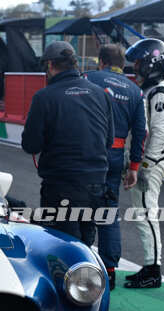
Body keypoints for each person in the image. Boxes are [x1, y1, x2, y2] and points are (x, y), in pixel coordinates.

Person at [21, 41, 114, 246]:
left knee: (61, 247)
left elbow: (30, 145)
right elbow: (109, 141)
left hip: (61, 186)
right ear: (74, 63)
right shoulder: (100, 94)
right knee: (85, 247)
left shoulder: (44, 97)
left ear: (50, 65)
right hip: (96, 184)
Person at [84, 44, 146, 290]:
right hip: (116, 155)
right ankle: (109, 271)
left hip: (89, 151)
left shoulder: (89, 78)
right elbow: (140, 132)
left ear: (101, 61)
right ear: (122, 64)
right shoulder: (135, 91)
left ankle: (82, 262)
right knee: (109, 211)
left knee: (81, 206)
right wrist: (134, 167)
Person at [123, 39, 164, 289]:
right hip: (149, 160)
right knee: (143, 212)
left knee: (146, 212)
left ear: (151, 64)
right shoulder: (154, 89)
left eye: (138, 63)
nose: (135, 67)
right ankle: (150, 266)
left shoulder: (159, 92)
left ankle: (153, 270)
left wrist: (144, 167)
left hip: (151, 162)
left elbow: (160, 134)